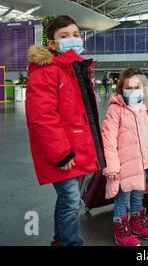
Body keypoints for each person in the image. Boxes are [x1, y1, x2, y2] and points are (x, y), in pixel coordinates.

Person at [25, 15, 106, 246]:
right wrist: (61, 153)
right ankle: (71, 243)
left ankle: (60, 240)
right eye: (64, 36)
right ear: (51, 44)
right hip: (63, 152)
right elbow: (42, 117)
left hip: (76, 149)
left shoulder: (73, 68)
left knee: (69, 199)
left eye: (76, 34)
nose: (72, 39)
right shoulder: (47, 70)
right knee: (70, 199)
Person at [102, 68, 148, 246]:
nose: (133, 91)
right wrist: (112, 167)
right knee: (122, 199)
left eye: (137, 87)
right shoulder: (115, 111)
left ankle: (137, 225)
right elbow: (108, 141)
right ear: (121, 90)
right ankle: (121, 232)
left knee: (139, 196)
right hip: (124, 167)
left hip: (144, 164)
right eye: (128, 88)